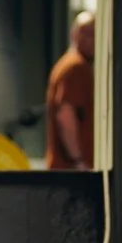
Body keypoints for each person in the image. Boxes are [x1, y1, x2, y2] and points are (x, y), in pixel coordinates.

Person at [44, 9, 95, 170]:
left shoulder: (71, 65)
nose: (91, 40)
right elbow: (66, 114)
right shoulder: (75, 67)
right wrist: (78, 160)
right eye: (86, 33)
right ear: (74, 35)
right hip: (71, 168)